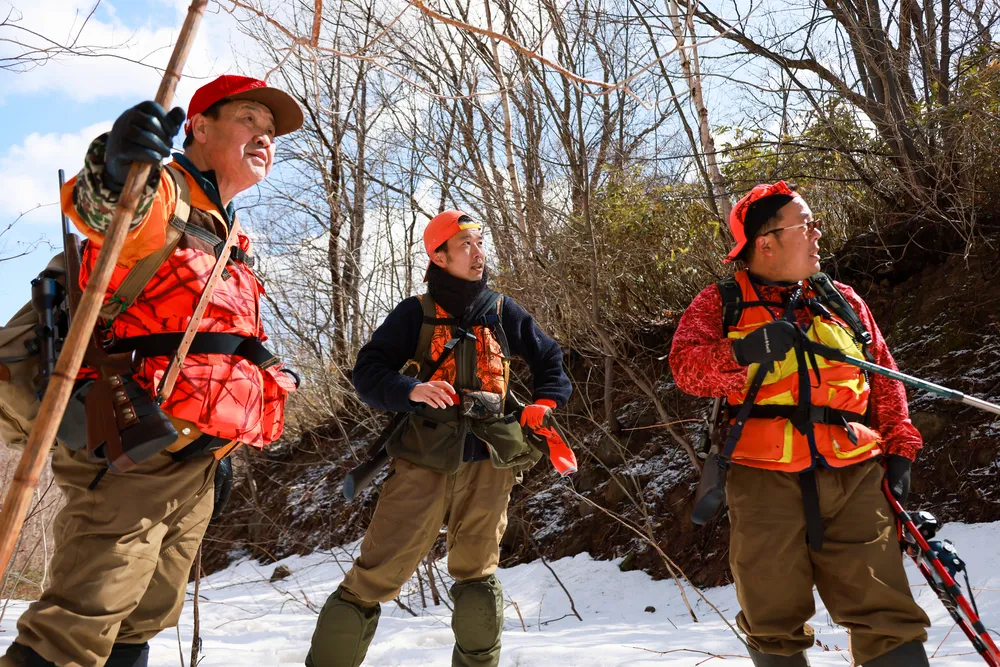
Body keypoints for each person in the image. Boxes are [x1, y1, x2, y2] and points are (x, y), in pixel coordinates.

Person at [2, 75, 303, 667]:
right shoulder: (164, 192)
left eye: (271, 132)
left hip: (194, 460)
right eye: (249, 119)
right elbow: (111, 212)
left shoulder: (227, 233)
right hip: (131, 445)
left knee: (141, 619)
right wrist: (116, 168)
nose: (265, 138)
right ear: (199, 127)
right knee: (78, 626)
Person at [669, 181, 931, 667]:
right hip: (762, 479)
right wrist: (742, 351)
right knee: (772, 622)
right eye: (804, 224)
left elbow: (885, 376)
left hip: (855, 474)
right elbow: (684, 368)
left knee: (887, 615)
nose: (816, 233)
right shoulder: (719, 302)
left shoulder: (842, 298)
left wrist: (900, 449)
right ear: (764, 242)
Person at [306, 210, 573, 667]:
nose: (478, 253)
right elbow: (367, 373)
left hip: (491, 461)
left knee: (478, 575)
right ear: (439, 255)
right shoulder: (415, 313)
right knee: (373, 577)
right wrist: (411, 390)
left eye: (480, 243)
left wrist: (544, 403)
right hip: (422, 460)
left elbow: (551, 360)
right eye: (466, 244)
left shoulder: (505, 311)